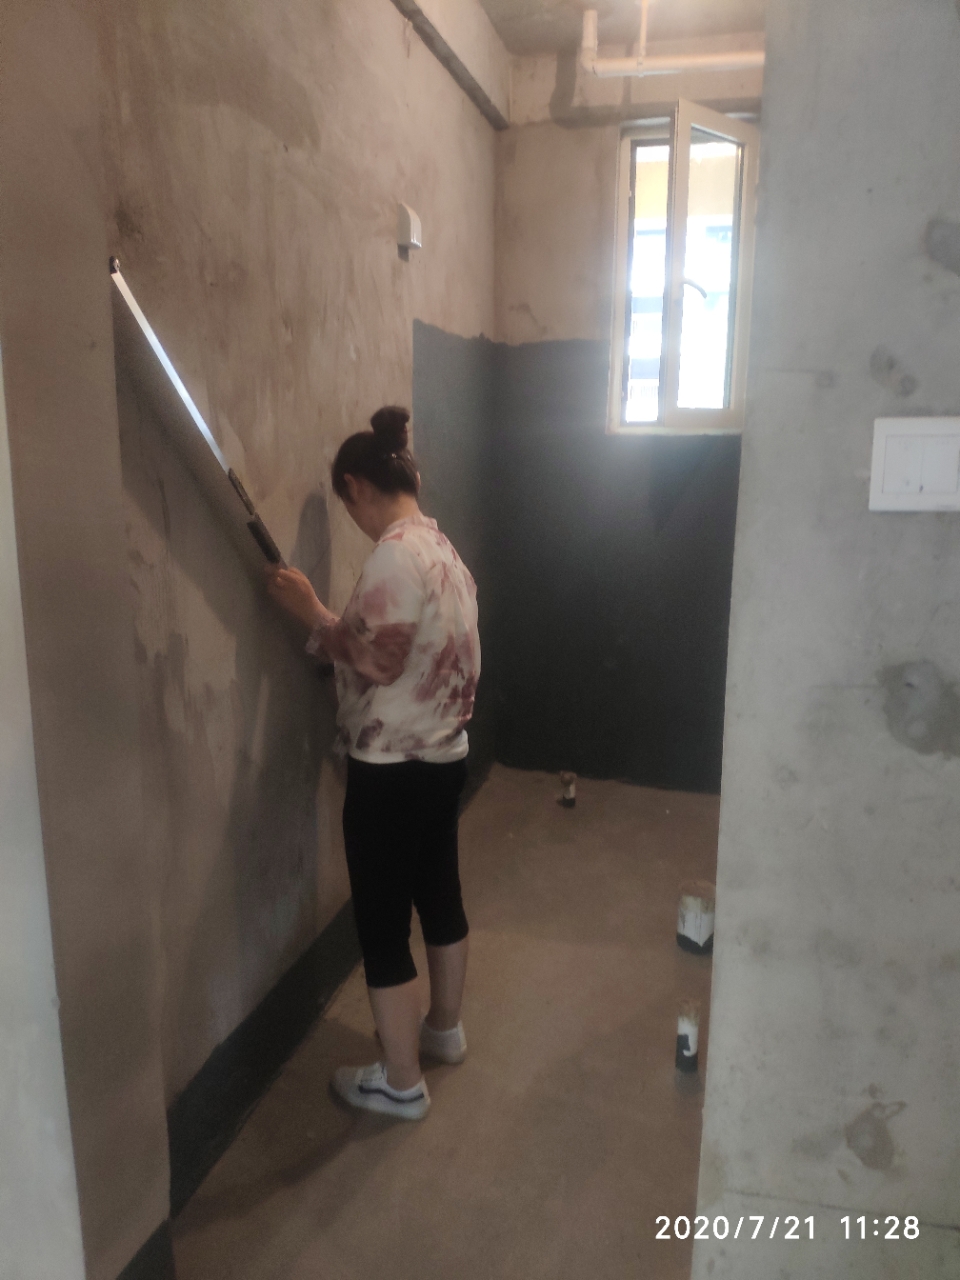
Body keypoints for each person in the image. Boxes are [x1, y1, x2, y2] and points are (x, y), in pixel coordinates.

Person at [266, 405, 479, 1121]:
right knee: (440, 894)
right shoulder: (445, 553)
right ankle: (443, 1030)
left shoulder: (394, 555)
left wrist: (312, 611)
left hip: (392, 769)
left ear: (356, 487)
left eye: (346, 504)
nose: (352, 520)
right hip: (444, 755)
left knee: (383, 925)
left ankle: (400, 1082)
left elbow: (378, 660)